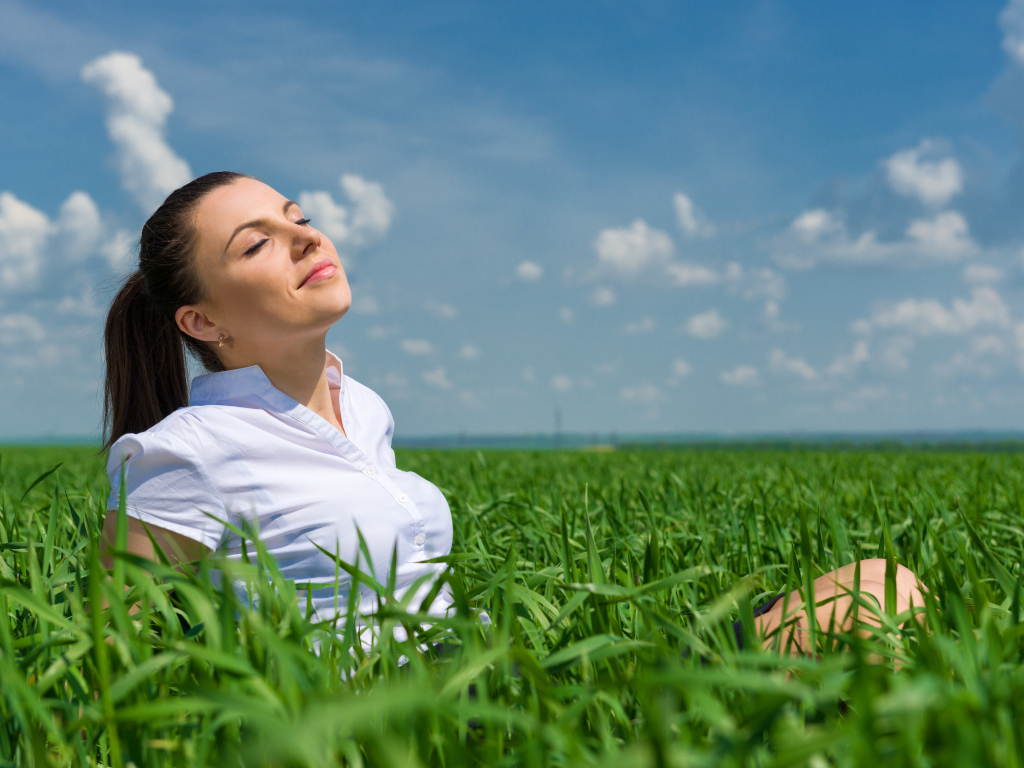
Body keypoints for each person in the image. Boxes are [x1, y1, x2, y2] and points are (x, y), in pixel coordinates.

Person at [101, 171, 928, 658]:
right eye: (256, 244)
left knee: (882, 587)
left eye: (299, 220)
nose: (305, 240)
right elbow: (113, 662)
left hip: (505, 665)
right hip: (415, 722)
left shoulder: (367, 411)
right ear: (201, 322)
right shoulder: (188, 451)